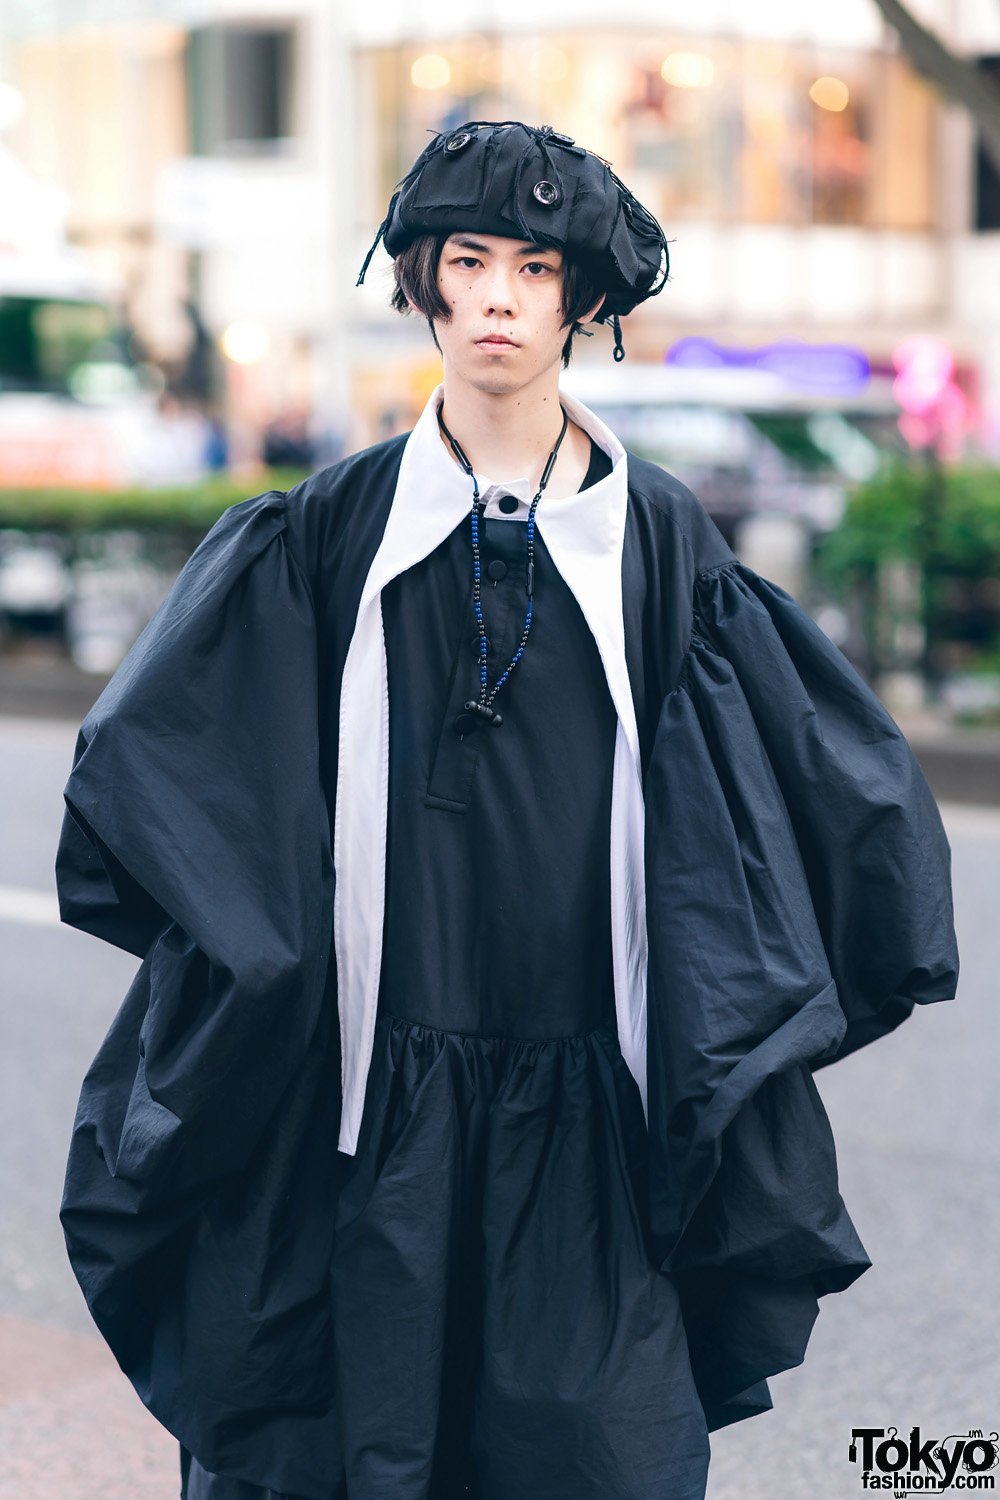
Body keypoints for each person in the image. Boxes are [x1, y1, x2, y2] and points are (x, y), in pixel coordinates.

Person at [55, 121, 959, 1500]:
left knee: (599, 1458)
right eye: (466, 259)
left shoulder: (657, 548)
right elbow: (164, 777)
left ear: (581, 300)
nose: (495, 294)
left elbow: (817, 796)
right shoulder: (325, 535)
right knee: (351, 1457)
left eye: (535, 267)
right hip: (361, 1120)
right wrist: (266, 963)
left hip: (590, 1118)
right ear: (421, 283)